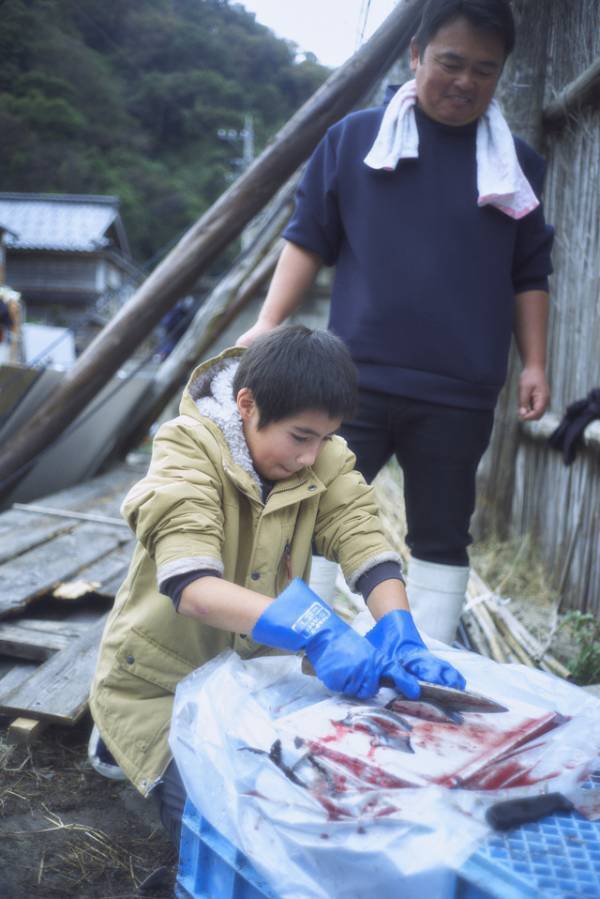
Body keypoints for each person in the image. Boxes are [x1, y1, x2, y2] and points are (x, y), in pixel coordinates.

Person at [236, 0, 554, 644]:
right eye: (451, 63)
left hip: (460, 389)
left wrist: (537, 363)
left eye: (485, 70)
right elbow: (308, 239)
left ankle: (428, 663)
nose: (465, 81)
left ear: (501, 75)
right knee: (315, 512)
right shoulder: (355, 139)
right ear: (416, 55)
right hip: (351, 384)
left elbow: (530, 273)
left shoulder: (515, 164)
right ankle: (300, 653)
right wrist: (269, 321)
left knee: (442, 530)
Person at [89, 325, 465, 845]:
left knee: (299, 806)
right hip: (161, 682)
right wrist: (319, 630)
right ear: (246, 404)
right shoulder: (185, 449)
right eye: (300, 437)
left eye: (325, 436)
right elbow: (193, 588)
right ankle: (116, 739)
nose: (311, 456)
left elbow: (362, 538)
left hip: (256, 677)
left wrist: (399, 626)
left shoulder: (323, 456)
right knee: (214, 823)